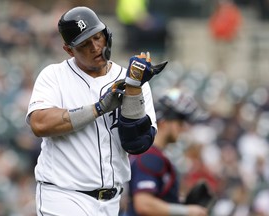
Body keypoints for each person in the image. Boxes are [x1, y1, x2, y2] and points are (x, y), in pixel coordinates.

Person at [25, 6, 167, 216]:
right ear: (69, 49)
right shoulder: (54, 76)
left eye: (97, 37)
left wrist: (134, 90)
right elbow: (39, 124)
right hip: (63, 196)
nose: (95, 47)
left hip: (112, 201)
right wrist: (98, 109)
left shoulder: (133, 80)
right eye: (84, 44)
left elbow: (138, 144)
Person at [126, 88, 210, 216]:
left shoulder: (153, 154)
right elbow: (143, 204)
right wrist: (186, 211)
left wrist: (178, 204)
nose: (183, 128)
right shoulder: (150, 156)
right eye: (180, 122)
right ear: (164, 122)